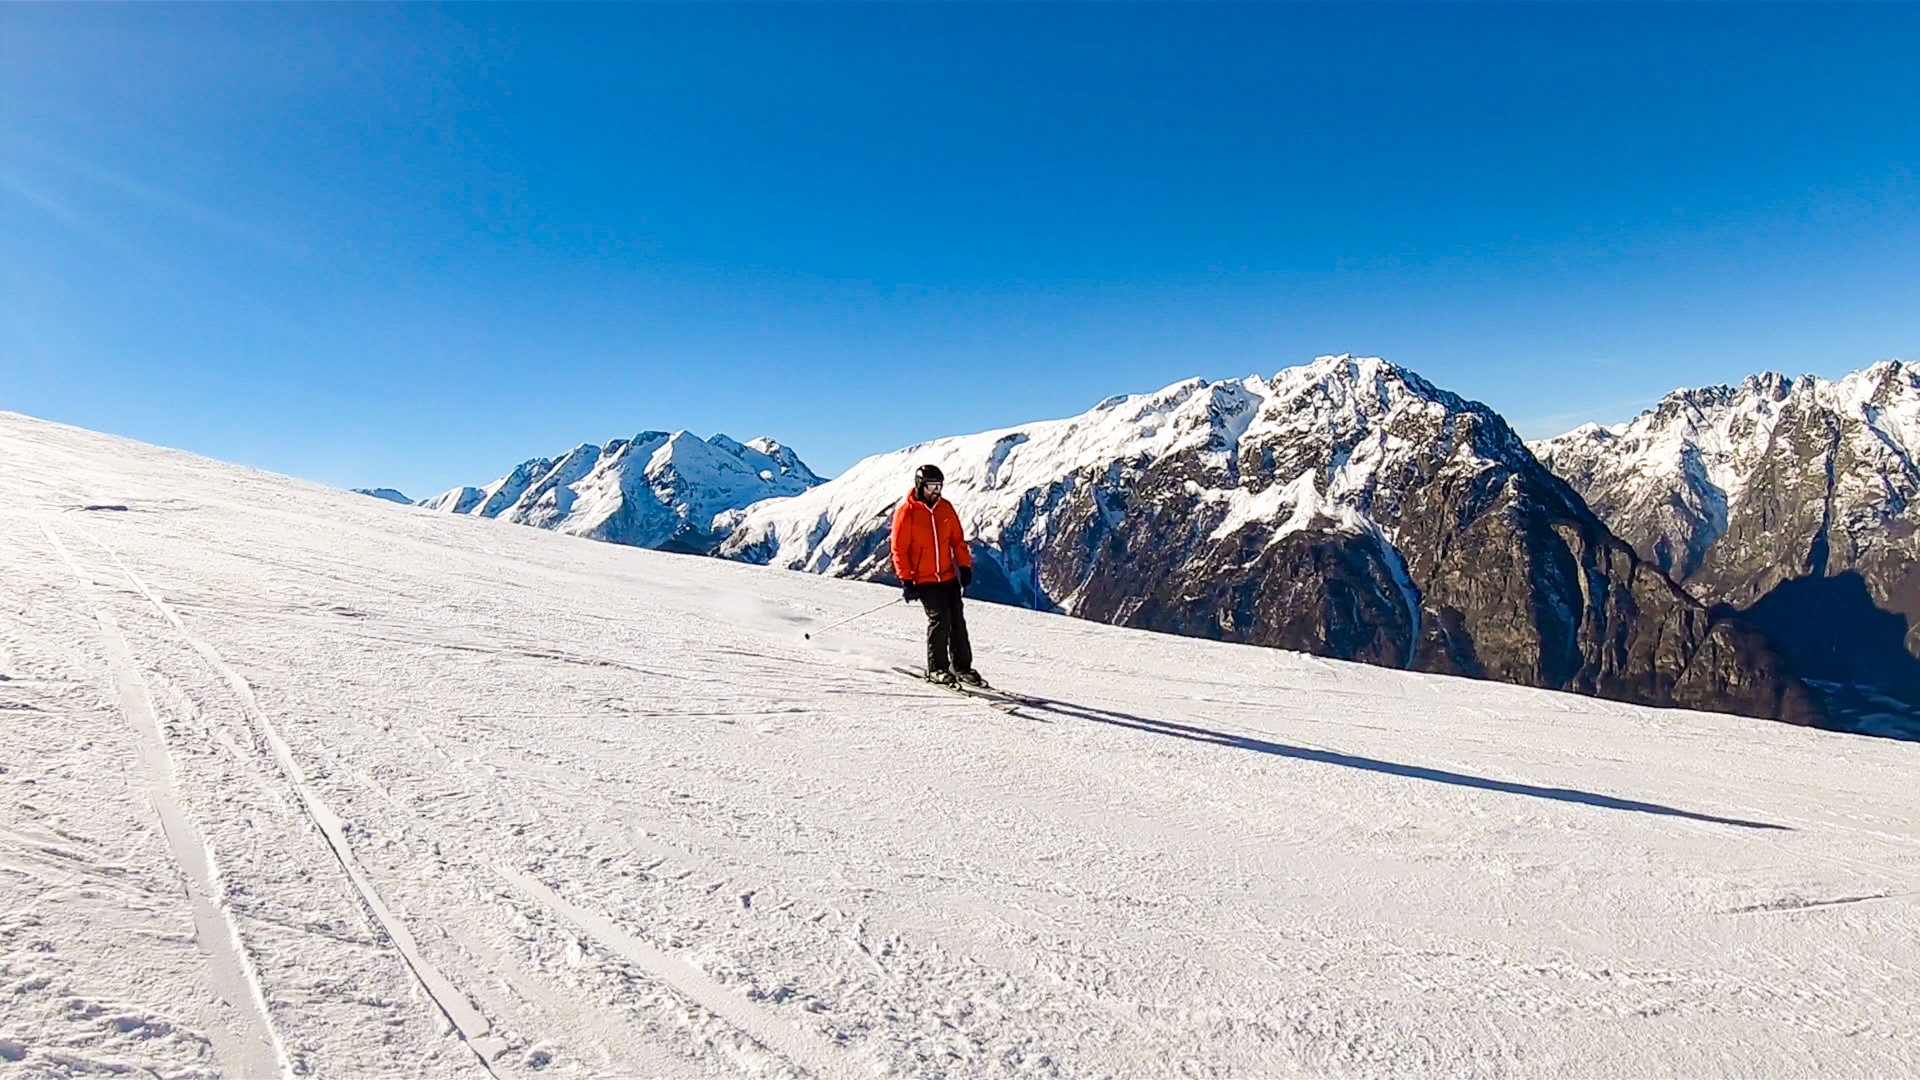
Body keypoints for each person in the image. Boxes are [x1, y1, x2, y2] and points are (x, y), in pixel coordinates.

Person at [890, 464, 985, 687]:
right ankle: (937, 669)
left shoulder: (945, 508)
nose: (936, 491)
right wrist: (906, 580)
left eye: (939, 486)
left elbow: (957, 540)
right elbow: (899, 550)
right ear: (920, 486)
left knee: (957, 621)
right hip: (924, 579)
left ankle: (962, 668)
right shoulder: (907, 512)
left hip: (947, 576)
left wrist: (964, 566)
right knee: (940, 620)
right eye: (931, 486)